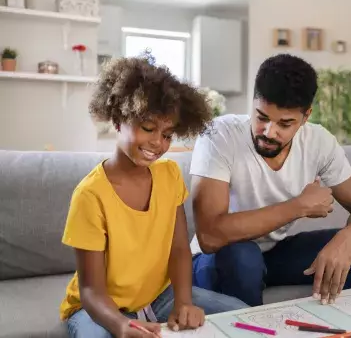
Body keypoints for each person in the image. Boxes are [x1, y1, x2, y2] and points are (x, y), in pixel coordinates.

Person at [59, 54, 248, 338]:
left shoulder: (169, 175)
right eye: (148, 129)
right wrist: (121, 324)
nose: (158, 143)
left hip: (159, 297)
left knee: (239, 313)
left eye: (168, 134)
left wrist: (184, 302)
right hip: (99, 309)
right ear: (117, 119)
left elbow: (180, 250)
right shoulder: (90, 195)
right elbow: (90, 291)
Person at [189, 53, 351, 307]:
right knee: (242, 255)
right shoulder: (220, 134)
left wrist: (346, 240)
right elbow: (210, 236)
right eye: (261, 117)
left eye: (285, 123)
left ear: (306, 116)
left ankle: (344, 328)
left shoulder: (318, 142)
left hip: (274, 254)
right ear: (253, 103)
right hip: (219, 256)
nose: (269, 132)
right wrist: (299, 206)